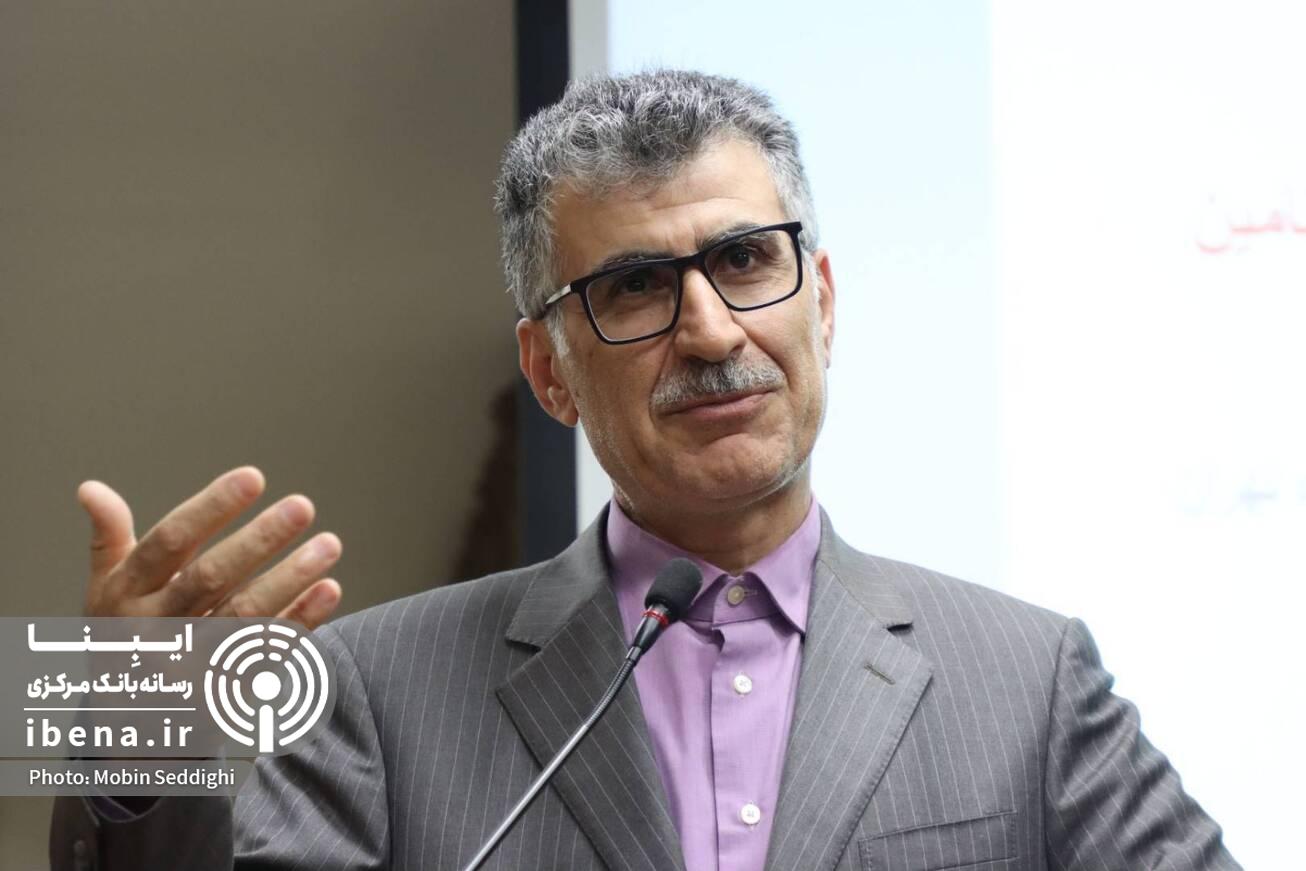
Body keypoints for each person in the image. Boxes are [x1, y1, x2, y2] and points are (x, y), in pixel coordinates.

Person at [51, 69, 1240, 870]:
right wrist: (119, 721)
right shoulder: (371, 686)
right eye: (634, 287)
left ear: (821, 303)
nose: (713, 331)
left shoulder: (1028, 677)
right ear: (549, 370)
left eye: (746, 260)